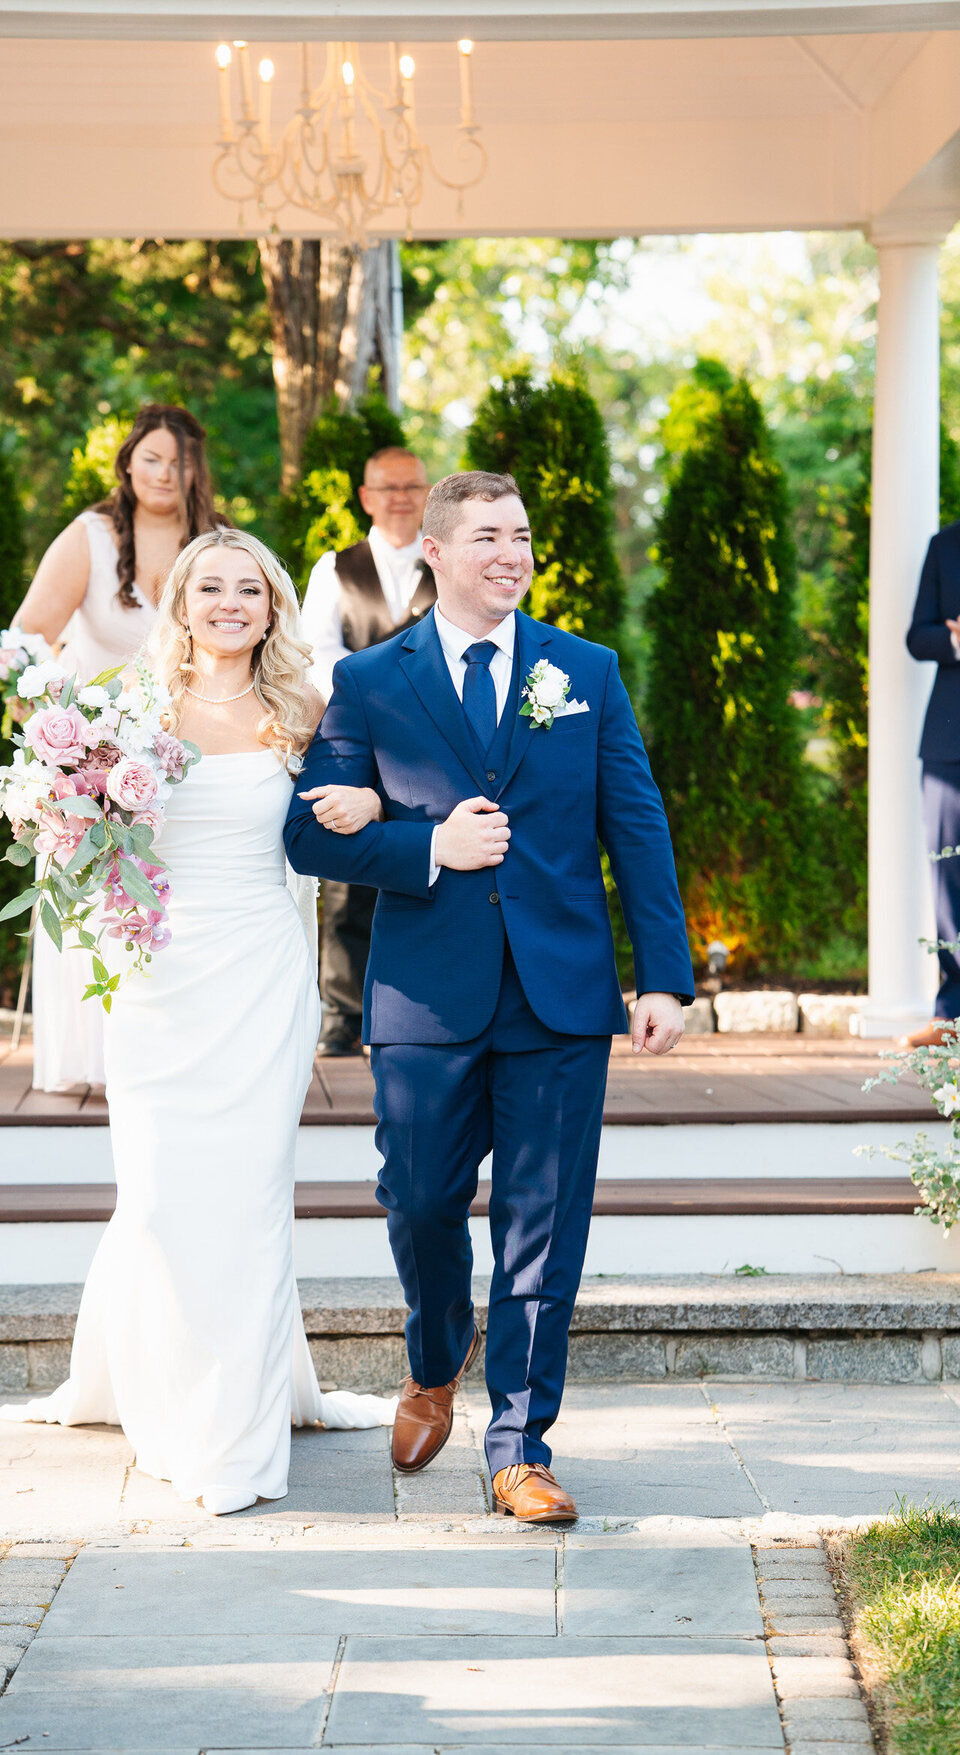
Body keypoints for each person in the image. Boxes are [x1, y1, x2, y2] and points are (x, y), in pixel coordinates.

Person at [286, 471, 694, 1525]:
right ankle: (434, 1354)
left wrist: (665, 974)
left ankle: (520, 1445)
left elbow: (636, 825)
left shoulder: (585, 671)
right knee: (418, 1200)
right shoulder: (373, 681)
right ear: (433, 551)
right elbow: (301, 833)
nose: (511, 554)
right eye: (487, 538)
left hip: (561, 993)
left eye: (522, 536)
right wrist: (428, 844)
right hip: (426, 992)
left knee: (542, 1225)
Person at [2, 527, 394, 1515]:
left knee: (250, 1192)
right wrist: (52, 814)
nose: (229, 603)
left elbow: (371, 798)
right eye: (210, 587)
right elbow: (76, 827)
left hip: (261, 971)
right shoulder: (129, 704)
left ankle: (235, 1438)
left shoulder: (308, 704)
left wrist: (365, 798)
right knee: (166, 1192)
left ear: (272, 607)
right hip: (157, 977)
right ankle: (151, 1384)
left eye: (248, 589)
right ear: (180, 599)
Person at [12, 404, 221, 1092]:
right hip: (98, 756)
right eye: (153, 457)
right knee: (103, 904)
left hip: (192, 750)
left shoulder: (218, 542)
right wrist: (61, 743)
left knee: (179, 897)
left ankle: (184, 1047)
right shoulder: (91, 537)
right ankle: (98, 1059)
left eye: (180, 460)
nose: (166, 473)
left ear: (197, 472)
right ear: (128, 462)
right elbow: (26, 645)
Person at [301, 446, 436, 1056]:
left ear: (428, 493)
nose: (401, 497)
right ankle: (342, 1010)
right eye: (388, 487)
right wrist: (371, 698)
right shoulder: (335, 567)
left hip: (436, 739)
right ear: (366, 497)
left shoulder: (448, 562)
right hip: (356, 731)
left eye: (412, 486)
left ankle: (416, 1007)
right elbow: (316, 651)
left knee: (426, 855)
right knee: (347, 866)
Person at [903, 519, 960, 1048]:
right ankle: (952, 1019)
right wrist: (954, 639)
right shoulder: (946, 546)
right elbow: (917, 636)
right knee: (949, 881)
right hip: (949, 743)